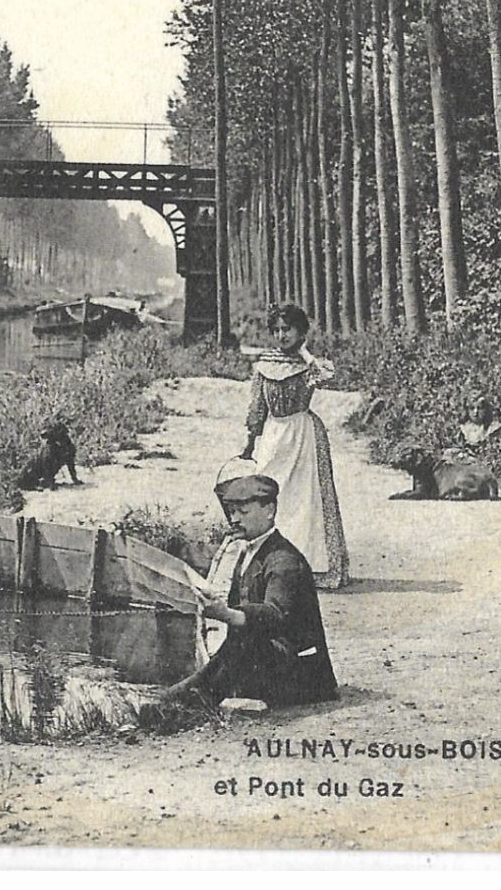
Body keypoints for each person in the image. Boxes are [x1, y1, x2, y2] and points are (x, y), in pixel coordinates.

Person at [164, 473, 339, 708]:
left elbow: (275, 615)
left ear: (270, 510)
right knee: (235, 648)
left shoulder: (284, 560)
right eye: (232, 512)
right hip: (268, 662)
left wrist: (227, 614)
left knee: (243, 643)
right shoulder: (251, 549)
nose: (235, 519)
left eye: (243, 512)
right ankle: (187, 695)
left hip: (303, 676)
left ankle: (184, 701)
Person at [239, 303, 349, 589]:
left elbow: (328, 375)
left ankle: (312, 566)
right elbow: (257, 408)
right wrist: (250, 443)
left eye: (287, 329)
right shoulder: (265, 365)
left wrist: (305, 352)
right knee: (273, 495)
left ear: (300, 331)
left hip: (304, 435)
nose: (281, 335)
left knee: (306, 498)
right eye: (276, 330)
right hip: (275, 436)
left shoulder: (308, 366)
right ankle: (272, 564)